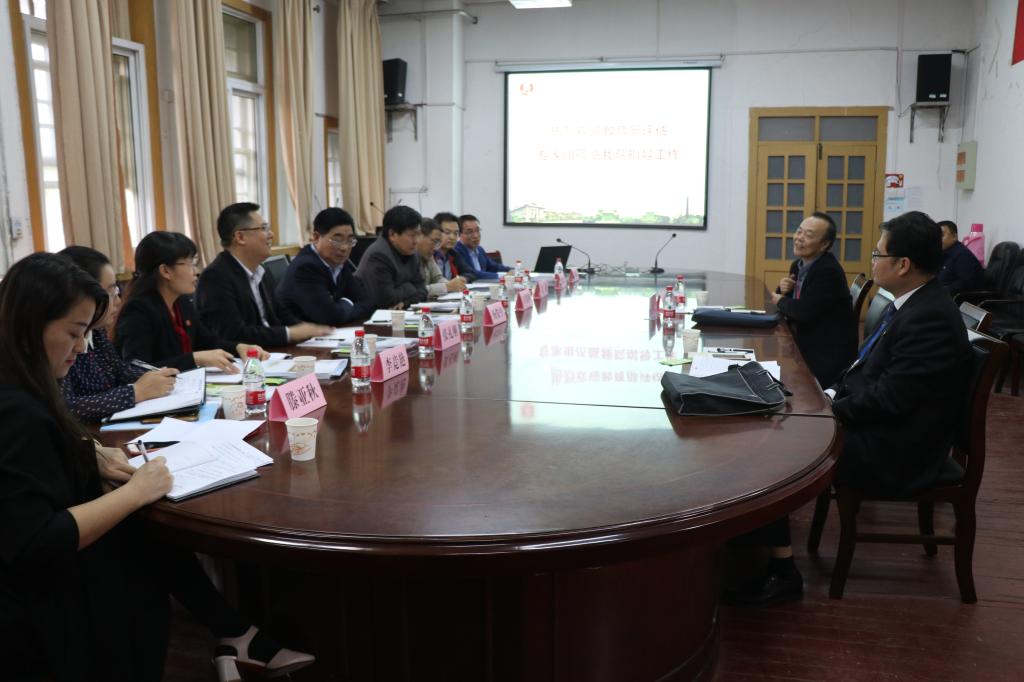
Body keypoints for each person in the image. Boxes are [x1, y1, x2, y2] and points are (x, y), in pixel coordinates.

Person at [0, 253, 313, 681]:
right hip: (47, 608)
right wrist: (135, 492)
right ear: (29, 323)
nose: (82, 347)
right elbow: (35, 540)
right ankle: (237, 636)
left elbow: (40, 452)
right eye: (74, 333)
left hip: (58, 578)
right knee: (146, 531)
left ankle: (236, 635)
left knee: (150, 532)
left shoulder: (24, 378)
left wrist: (87, 453)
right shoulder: (15, 409)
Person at [728, 211, 972, 608]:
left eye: (878, 255)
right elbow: (865, 371)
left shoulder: (929, 318)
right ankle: (751, 541)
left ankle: (782, 572)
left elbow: (891, 400)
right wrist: (827, 395)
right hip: (883, 424)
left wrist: (829, 411)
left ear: (903, 264)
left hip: (898, 448)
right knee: (771, 421)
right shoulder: (913, 302)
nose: (872, 262)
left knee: (773, 448)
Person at [57, 246, 179, 421]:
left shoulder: (96, 331)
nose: (118, 301)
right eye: (111, 292)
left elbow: (117, 369)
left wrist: (156, 376)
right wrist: (135, 392)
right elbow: (68, 408)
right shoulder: (62, 343)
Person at [116, 232, 266, 371]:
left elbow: (208, 342)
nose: (196, 271)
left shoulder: (181, 302)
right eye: (190, 264)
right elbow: (136, 368)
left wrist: (238, 347)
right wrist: (195, 358)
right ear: (165, 271)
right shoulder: (138, 311)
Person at [195, 202, 331, 346]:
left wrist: (311, 331)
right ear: (240, 237)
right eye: (264, 229)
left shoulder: (261, 271)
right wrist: (290, 333)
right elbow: (233, 335)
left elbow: (281, 314)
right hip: (245, 358)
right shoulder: (215, 278)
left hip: (271, 352)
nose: (271, 234)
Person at [769, 212, 858, 388]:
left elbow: (801, 311)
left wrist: (778, 299)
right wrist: (783, 290)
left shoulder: (828, 271)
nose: (799, 238)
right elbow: (793, 304)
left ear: (824, 244)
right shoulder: (798, 265)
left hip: (825, 354)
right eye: (799, 231)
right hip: (803, 342)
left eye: (808, 235)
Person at [276, 207, 375, 326]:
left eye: (350, 241)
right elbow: (330, 317)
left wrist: (339, 306)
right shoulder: (305, 268)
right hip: (303, 335)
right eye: (337, 241)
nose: (344, 248)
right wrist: (348, 302)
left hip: (331, 332)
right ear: (316, 237)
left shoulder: (339, 263)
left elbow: (368, 304)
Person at [355, 205, 428, 309]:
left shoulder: (412, 252)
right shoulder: (378, 256)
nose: (416, 241)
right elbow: (387, 300)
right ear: (393, 234)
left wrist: (405, 303)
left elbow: (423, 291)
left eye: (419, 234)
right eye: (412, 235)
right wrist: (410, 287)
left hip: (399, 311)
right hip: (371, 315)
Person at [418, 217, 466, 298]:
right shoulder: (407, 257)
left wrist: (453, 284)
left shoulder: (429, 254)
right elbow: (415, 291)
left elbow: (438, 278)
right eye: (434, 241)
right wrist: (447, 287)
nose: (435, 248)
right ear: (420, 236)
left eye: (438, 243)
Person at [452, 214, 511, 281]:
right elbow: (473, 273)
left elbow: (494, 267)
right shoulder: (456, 251)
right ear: (459, 234)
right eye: (469, 232)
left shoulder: (480, 249)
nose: (475, 235)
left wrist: (512, 270)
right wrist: (503, 275)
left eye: (477, 230)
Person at [937, 219, 984, 296]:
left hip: (960, 299)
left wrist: (939, 292)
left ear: (954, 237)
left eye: (942, 235)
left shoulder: (962, 255)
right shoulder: (944, 253)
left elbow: (965, 284)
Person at [433, 211, 465, 281]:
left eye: (456, 233)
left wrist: (462, 279)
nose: (452, 237)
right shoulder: (430, 255)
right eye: (447, 233)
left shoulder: (454, 254)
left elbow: (469, 272)